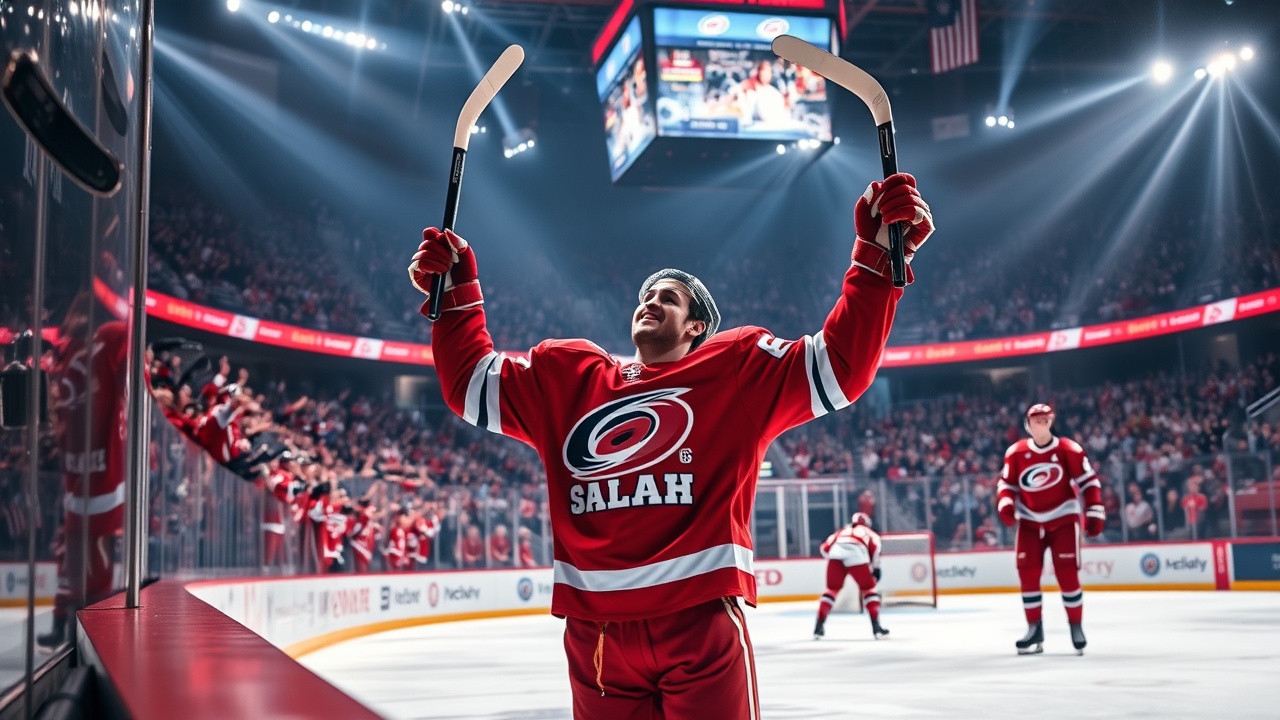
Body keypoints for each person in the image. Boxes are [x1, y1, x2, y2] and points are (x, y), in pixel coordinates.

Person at [408, 172, 934, 719]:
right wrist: (457, 294)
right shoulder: (569, 377)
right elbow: (469, 383)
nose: (650, 302)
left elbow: (839, 365)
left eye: (669, 298)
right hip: (596, 640)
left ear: (696, 327)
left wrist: (877, 260)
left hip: (697, 625)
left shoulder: (734, 369)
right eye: (646, 296)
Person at [996, 403, 1105, 656]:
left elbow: (1089, 481)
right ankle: (1034, 628)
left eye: (1044, 419)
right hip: (1029, 520)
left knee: (1067, 573)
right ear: (1027, 424)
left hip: (1063, 517)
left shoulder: (1068, 449)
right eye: (1035, 419)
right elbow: (1006, 484)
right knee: (1027, 573)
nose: (1040, 423)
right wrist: (1006, 504)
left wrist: (1094, 510)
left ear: (1051, 421)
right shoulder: (1016, 452)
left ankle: (1076, 625)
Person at [812, 512, 888, 640]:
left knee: (832, 590)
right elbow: (875, 549)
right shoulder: (870, 533)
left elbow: (824, 549)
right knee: (868, 589)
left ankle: (818, 626)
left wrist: (835, 558)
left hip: (836, 553)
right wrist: (876, 567)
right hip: (857, 554)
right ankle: (876, 627)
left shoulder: (841, 532)